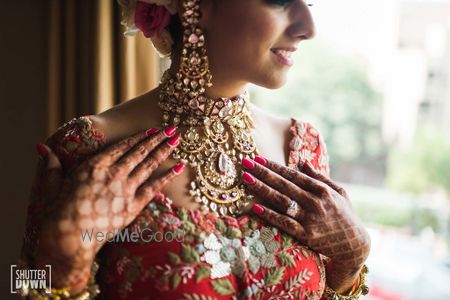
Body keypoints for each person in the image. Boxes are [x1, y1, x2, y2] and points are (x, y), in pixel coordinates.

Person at [19, 0, 371, 299]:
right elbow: (22, 282)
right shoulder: (86, 146)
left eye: (309, 2)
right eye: (279, 0)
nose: (308, 27)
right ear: (195, 5)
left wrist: (351, 263)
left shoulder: (303, 147)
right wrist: (63, 259)